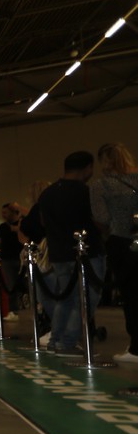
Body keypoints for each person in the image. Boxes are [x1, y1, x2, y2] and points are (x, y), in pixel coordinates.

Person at [21, 151, 103, 355]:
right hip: (87, 253)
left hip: (58, 254)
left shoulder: (47, 194)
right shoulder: (86, 192)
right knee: (86, 299)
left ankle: (56, 340)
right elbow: (99, 220)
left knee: (65, 299)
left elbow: (42, 222)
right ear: (88, 168)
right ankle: (67, 342)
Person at [89, 142, 138, 362]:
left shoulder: (102, 185)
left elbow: (101, 218)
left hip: (122, 242)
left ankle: (136, 348)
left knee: (131, 295)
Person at [0, 203, 26, 315]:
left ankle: (27, 306)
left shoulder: (22, 224)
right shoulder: (2, 227)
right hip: (7, 260)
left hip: (21, 259)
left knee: (25, 283)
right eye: (2, 213)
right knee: (10, 286)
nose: (3, 215)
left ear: (13, 212)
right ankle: (13, 311)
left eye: (5, 212)